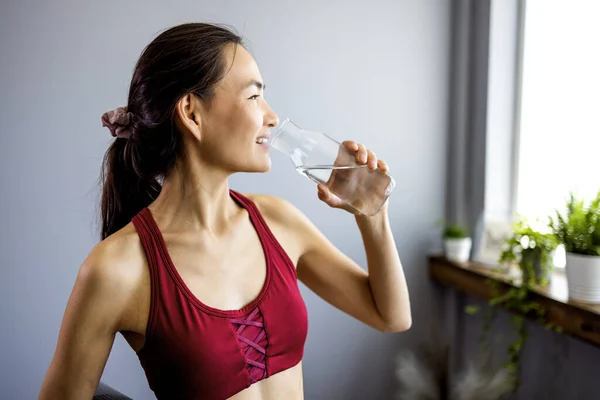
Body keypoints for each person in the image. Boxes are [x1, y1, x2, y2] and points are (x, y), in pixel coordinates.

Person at [38, 22, 411, 400]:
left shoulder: (277, 222)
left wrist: (371, 216)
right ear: (192, 113)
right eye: (253, 97)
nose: (271, 116)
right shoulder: (116, 268)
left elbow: (390, 315)